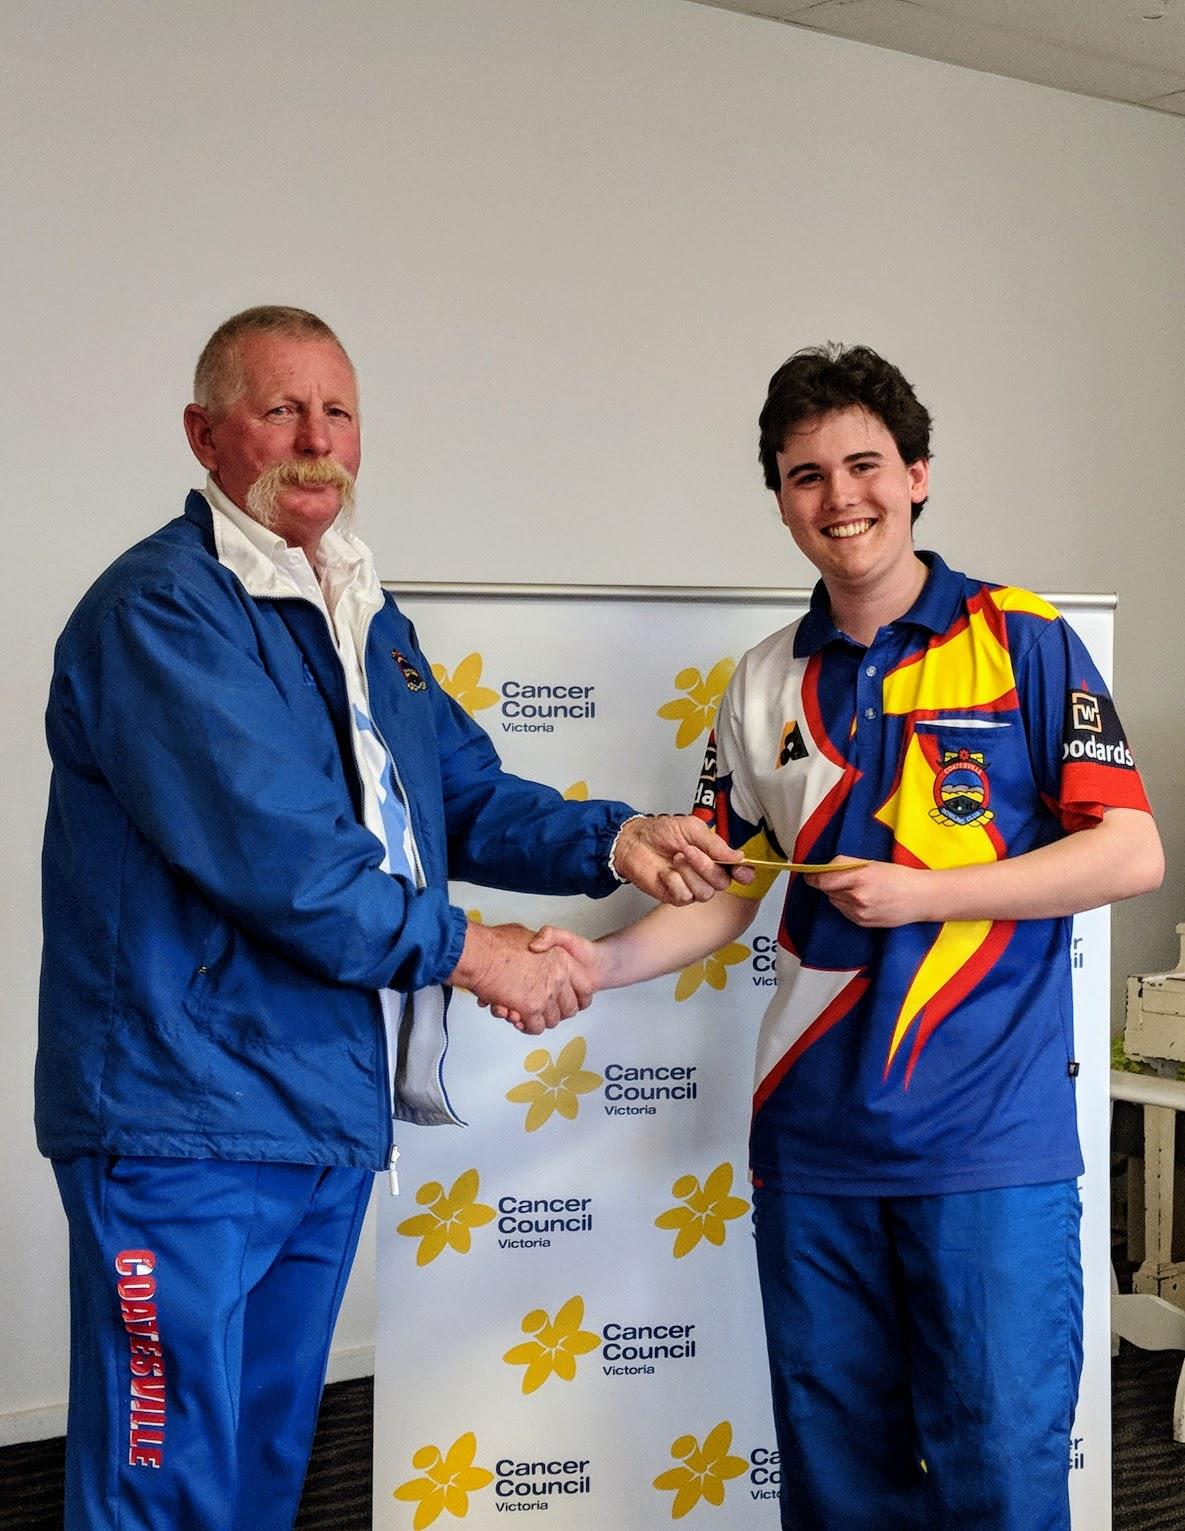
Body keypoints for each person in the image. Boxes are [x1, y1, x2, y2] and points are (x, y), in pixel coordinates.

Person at [34, 304, 745, 1530]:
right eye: (280, 410)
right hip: (179, 1122)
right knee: (162, 1476)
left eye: (340, 410)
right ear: (206, 435)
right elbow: (290, 861)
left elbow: (455, 789)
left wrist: (614, 836)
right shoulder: (161, 612)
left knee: (260, 1466)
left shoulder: (362, 605)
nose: (318, 440)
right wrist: (478, 953)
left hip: (316, 1109)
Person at [531, 344, 1164, 1530]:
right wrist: (601, 962)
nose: (840, 498)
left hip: (988, 1142)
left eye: (864, 464)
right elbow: (724, 888)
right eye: (804, 474)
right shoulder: (763, 680)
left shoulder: (1023, 638)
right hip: (811, 1140)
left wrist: (929, 894)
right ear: (779, 497)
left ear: (918, 473)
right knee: (837, 1485)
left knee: (1002, 1477)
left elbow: (1130, 852)